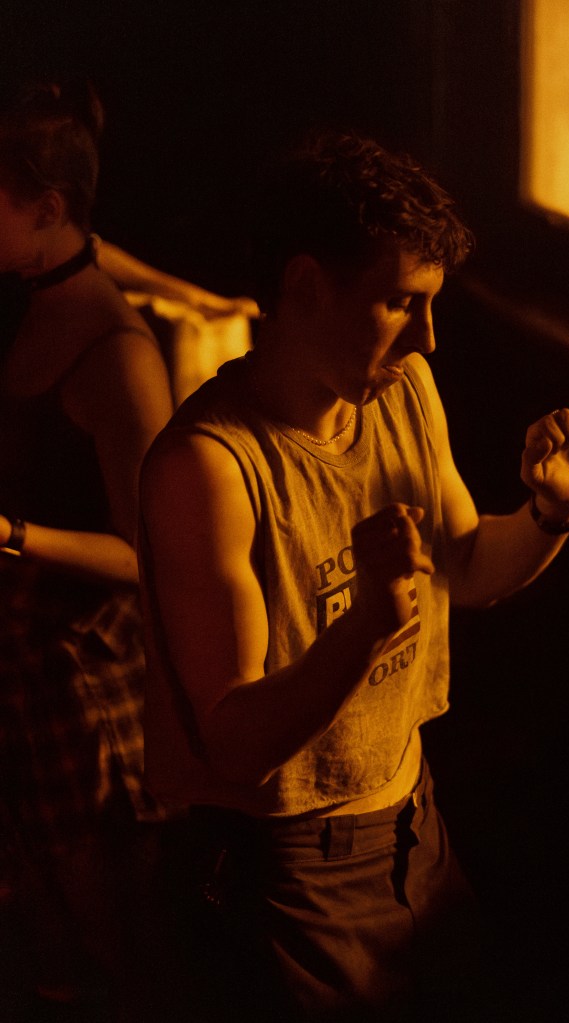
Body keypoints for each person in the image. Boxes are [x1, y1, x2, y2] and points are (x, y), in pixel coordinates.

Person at [138, 130, 569, 1022]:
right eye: (400, 302)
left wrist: (550, 515)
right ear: (306, 284)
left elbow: (468, 568)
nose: (426, 336)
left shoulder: (403, 389)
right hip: (293, 867)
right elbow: (234, 742)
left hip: (413, 815)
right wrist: (366, 624)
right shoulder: (211, 466)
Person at [0, 78, 226, 1020]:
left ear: (47, 209)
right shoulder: (28, 283)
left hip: (82, 675)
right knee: (47, 924)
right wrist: (185, 291)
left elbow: (152, 559)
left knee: (123, 937)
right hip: (20, 659)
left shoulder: (118, 357)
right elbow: (99, 248)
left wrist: (12, 536)